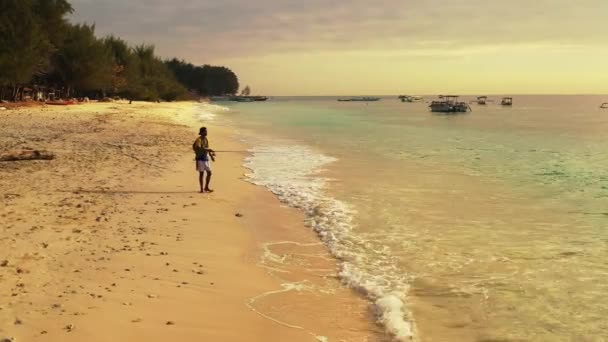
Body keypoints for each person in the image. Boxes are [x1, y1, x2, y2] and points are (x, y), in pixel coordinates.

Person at [192, 127, 215, 193]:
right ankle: (201, 189)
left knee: (209, 173)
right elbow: (198, 148)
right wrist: (208, 150)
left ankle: (206, 187)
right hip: (200, 158)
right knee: (201, 174)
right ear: (202, 132)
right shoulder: (198, 140)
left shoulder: (205, 139)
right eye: (205, 131)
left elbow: (207, 148)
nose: (206, 132)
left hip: (206, 158)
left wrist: (211, 156)